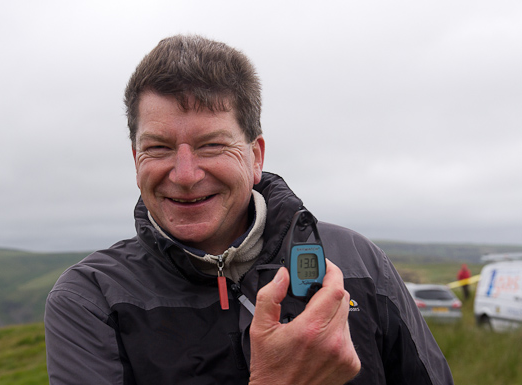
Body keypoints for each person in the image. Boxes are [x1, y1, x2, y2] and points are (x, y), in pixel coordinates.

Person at [44, 35, 453, 384]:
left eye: (211, 145)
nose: (185, 175)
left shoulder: (358, 262)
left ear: (255, 156)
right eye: (159, 148)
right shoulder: (89, 299)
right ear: (136, 160)